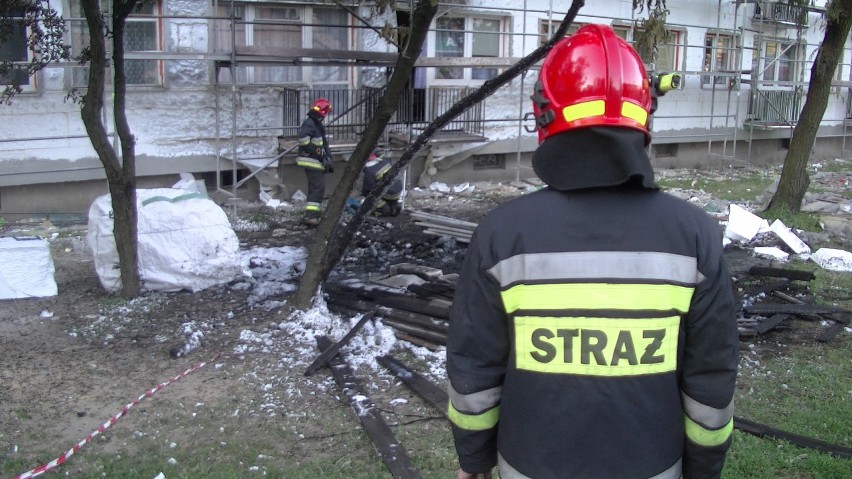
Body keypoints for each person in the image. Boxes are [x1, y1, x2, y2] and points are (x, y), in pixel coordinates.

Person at [446, 24, 738, 479]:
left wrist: (474, 461)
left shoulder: (502, 235)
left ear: (543, 115)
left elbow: (474, 370)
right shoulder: (694, 236)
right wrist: (702, 471)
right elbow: (711, 378)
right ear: (645, 118)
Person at [296, 98, 333, 226]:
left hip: (316, 160)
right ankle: (311, 217)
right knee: (317, 188)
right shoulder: (310, 123)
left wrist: (327, 157)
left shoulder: (315, 123)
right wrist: (317, 151)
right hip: (312, 160)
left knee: (317, 188)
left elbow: (322, 142)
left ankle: (313, 215)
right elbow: (303, 140)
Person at [362, 151, 403, 217]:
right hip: (398, 190)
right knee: (383, 187)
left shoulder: (369, 172)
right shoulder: (385, 161)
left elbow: (368, 190)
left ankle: (383, 208)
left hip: (388, 192)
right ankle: (394, 205)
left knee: (370, 197)